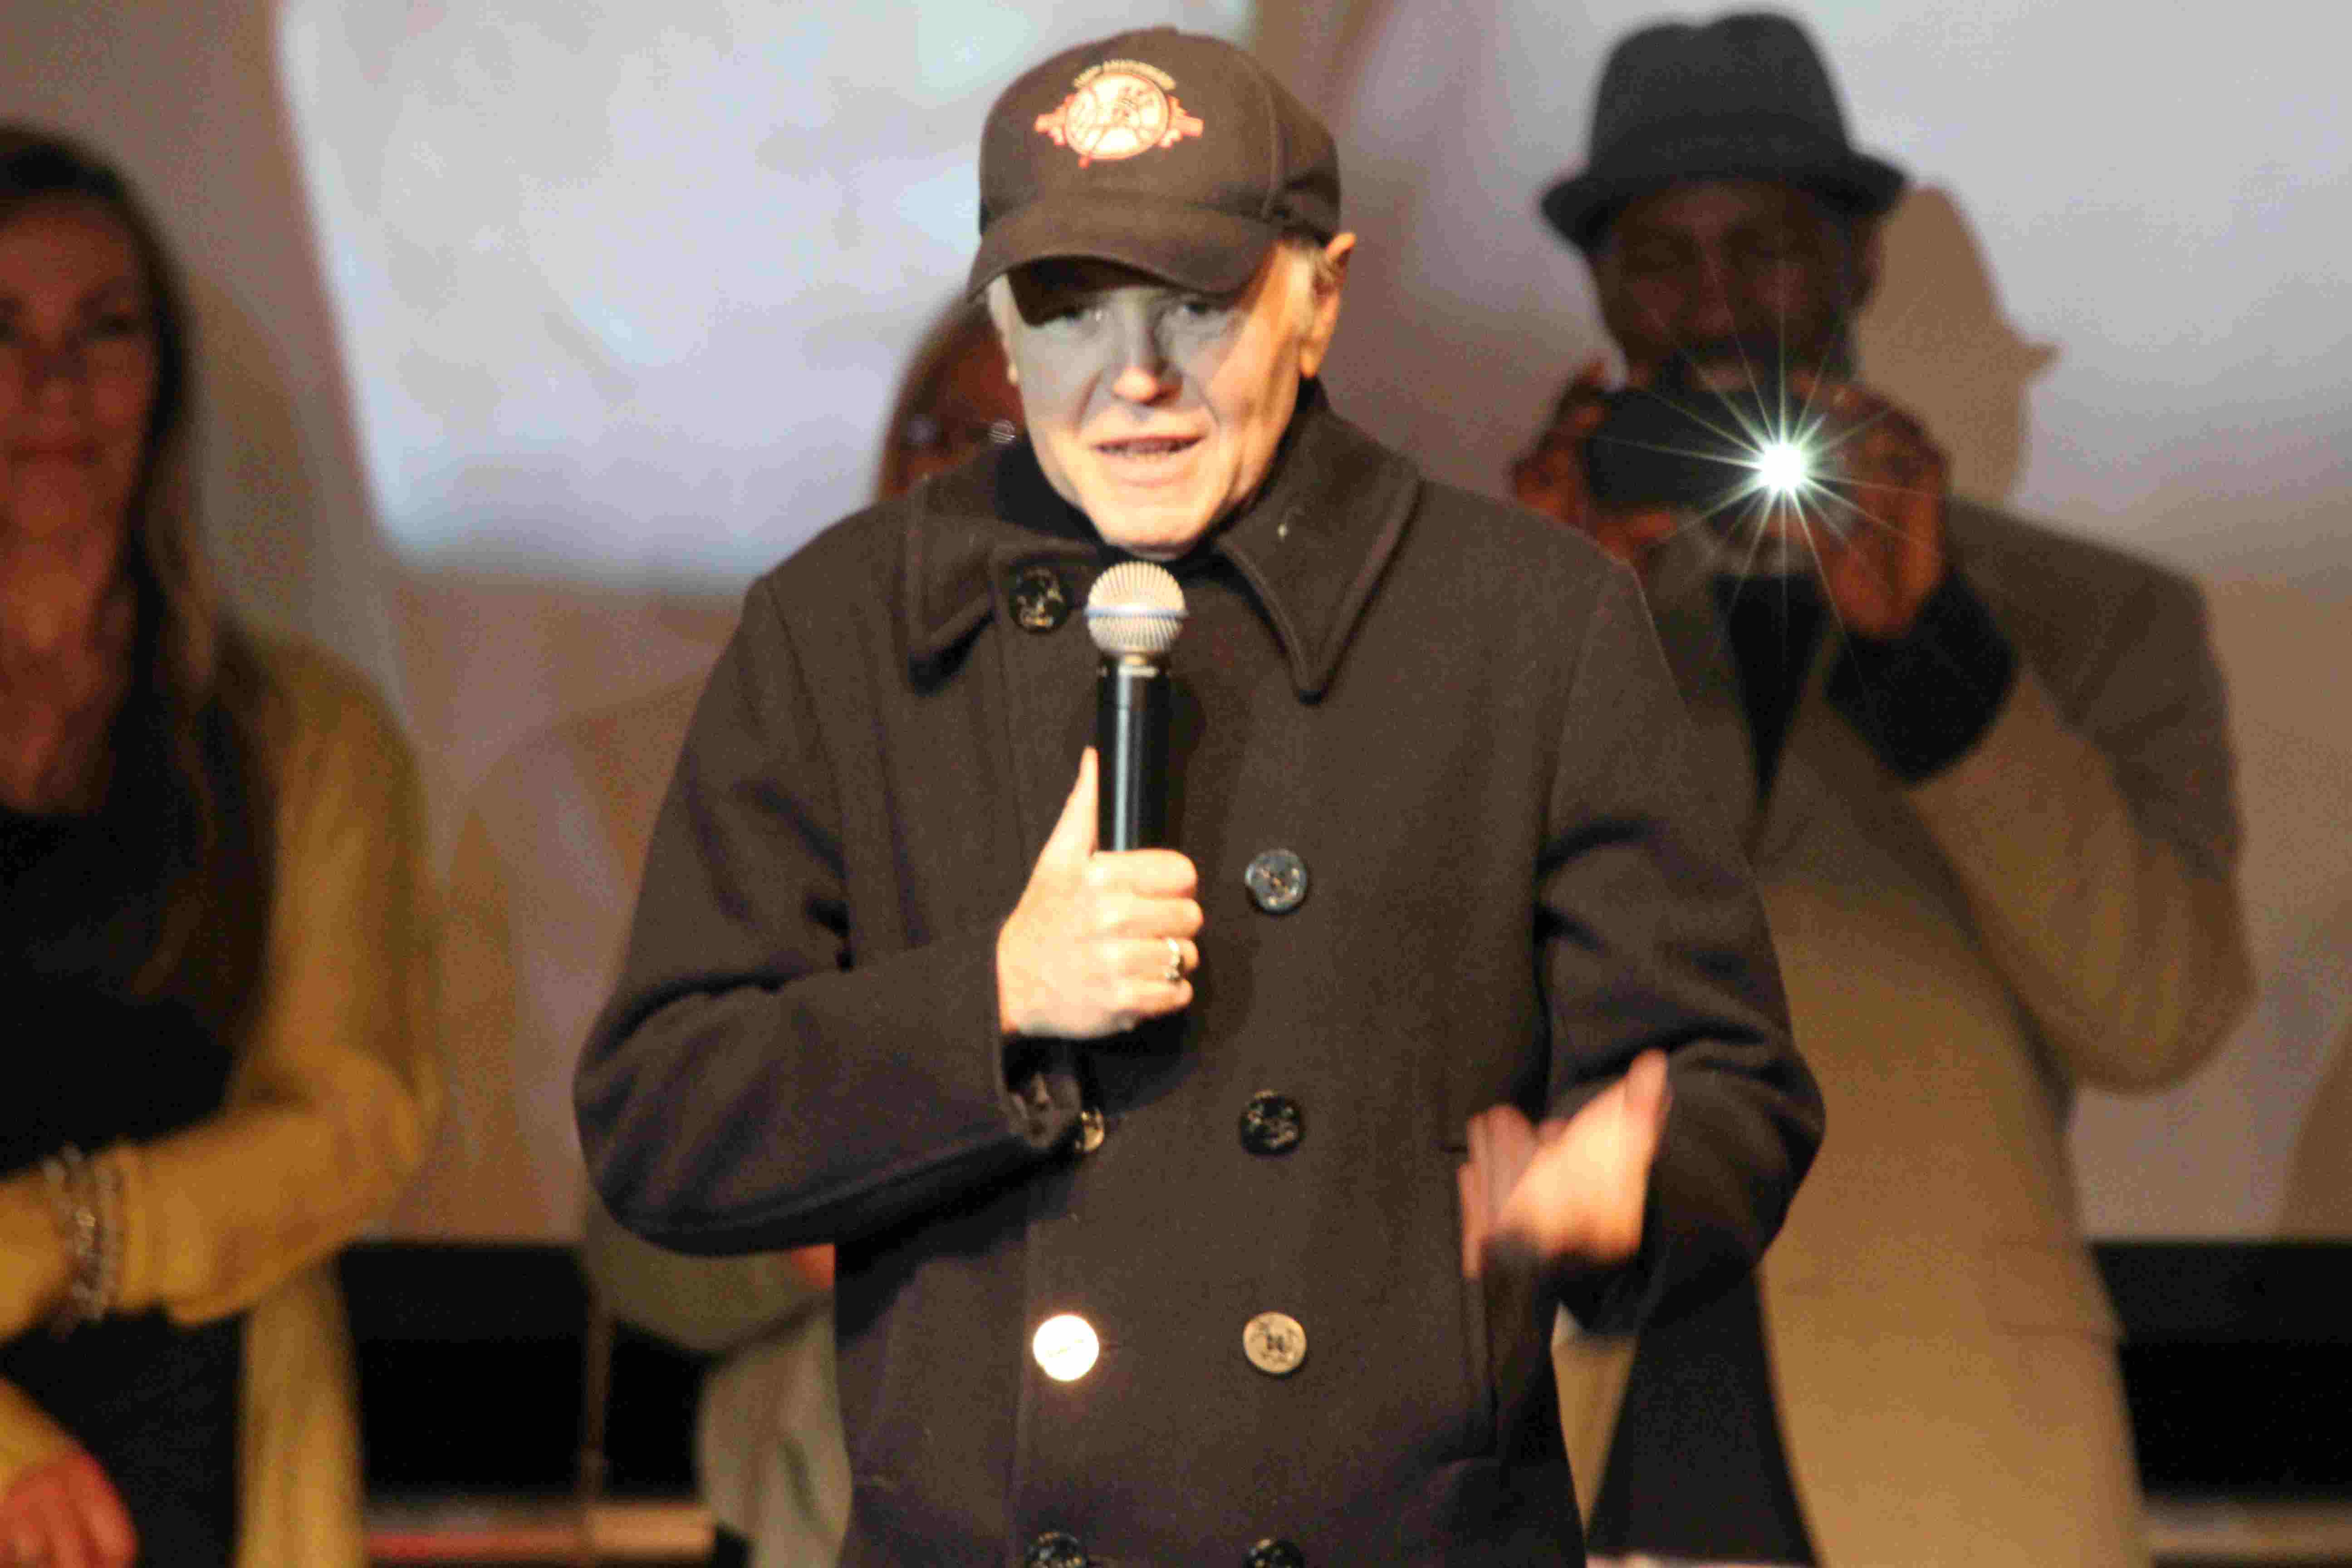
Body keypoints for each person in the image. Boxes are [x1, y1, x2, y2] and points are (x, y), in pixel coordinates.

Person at [577, 27, 1821, 1565]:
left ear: (1322, 297)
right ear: (1002, 325)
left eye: (1198, 302)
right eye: (1070, 309)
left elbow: (1731, 1086)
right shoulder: (844, 629)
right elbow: (660, 1115)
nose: (1137, 378)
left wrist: (1636, 1184)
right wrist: (994, 1000)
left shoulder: (1525, 624)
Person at [1514, 15, 2253, 1568]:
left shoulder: (2092, 624)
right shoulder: (1530, 613)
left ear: (1856, 261)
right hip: (1573, 1441)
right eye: (1662, 258)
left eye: (1766, 248)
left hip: (1953, 1468)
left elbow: (2159, 1018)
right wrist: (1532, 634)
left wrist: (1936, 655)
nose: (1715, 302)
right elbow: (1394, 1018)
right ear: (1603, 293)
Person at [0, 126, 438, 1568]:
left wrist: (59, 1236)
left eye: (103, 330)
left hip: (196, 1463)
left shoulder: (306, 737)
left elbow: (357, 1117)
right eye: (0, 331)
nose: (50, 385)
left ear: (165, 381)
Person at [576, 299, 1021, 1568]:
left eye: (1024, 440)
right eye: (947, 432)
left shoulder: (1231, 775)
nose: (963, 480)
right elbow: (634, 1235)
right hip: (822, 1504)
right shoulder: (800, 776)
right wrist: (804, 1234)